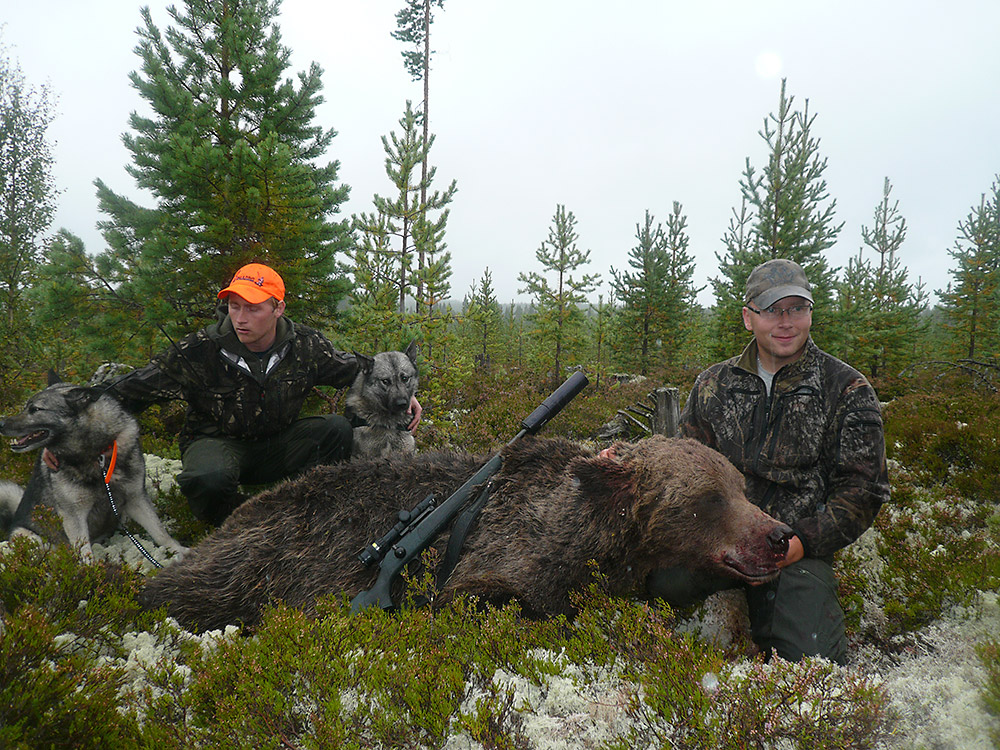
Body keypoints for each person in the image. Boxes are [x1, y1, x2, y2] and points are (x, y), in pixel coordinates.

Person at [648, 258, 889, 664]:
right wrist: (628, 461)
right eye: (773, 310)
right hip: (716, 543)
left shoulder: (846, 388)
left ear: (811, 312)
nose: (786, 321)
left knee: (813, 668)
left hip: (792, 551)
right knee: (639, 589)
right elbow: (683, 466)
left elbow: (863, 490)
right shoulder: (713, 385)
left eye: (798, 308)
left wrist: (803, 542)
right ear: (748, 317)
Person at [108, 262, 421, 526]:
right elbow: (127, 390)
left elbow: (357, 369)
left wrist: (401, 394)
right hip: (218, 446)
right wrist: (63, 430)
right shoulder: (198, 350)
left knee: (336, 430)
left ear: (278, 308)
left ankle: (306, 509)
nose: (240, 318)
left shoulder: (305, 345)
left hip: (278, 445)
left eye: (253, 308)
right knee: (208, 477)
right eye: (234, 306)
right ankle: (240, 523)